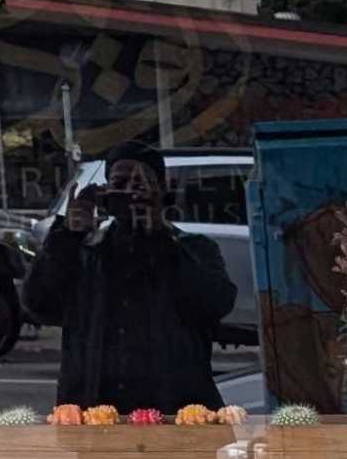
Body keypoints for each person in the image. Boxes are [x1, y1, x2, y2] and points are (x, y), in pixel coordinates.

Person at [23, 149, 236, 416]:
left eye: (141, 185)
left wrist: (158, 233)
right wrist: (68, 233)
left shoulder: (193, 248)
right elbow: (39, 304)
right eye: (120, 185)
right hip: (99, 416)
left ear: (161, 191)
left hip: (177, 414)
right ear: (106, 194)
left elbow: (216, 303)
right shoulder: (87, 251)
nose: (132, 195)